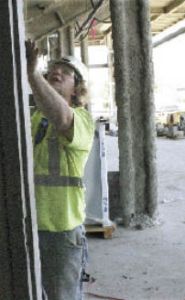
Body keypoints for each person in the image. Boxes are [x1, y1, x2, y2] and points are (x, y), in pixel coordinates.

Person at [26, 40, 94, 300]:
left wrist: (32, 74)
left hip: (61, 232)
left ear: (76, 89)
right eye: (53, 68)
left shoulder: (82, 119)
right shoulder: (32, 118)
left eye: (65, 73)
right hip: (28, 224)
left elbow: (62, 119)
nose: (57, 72)